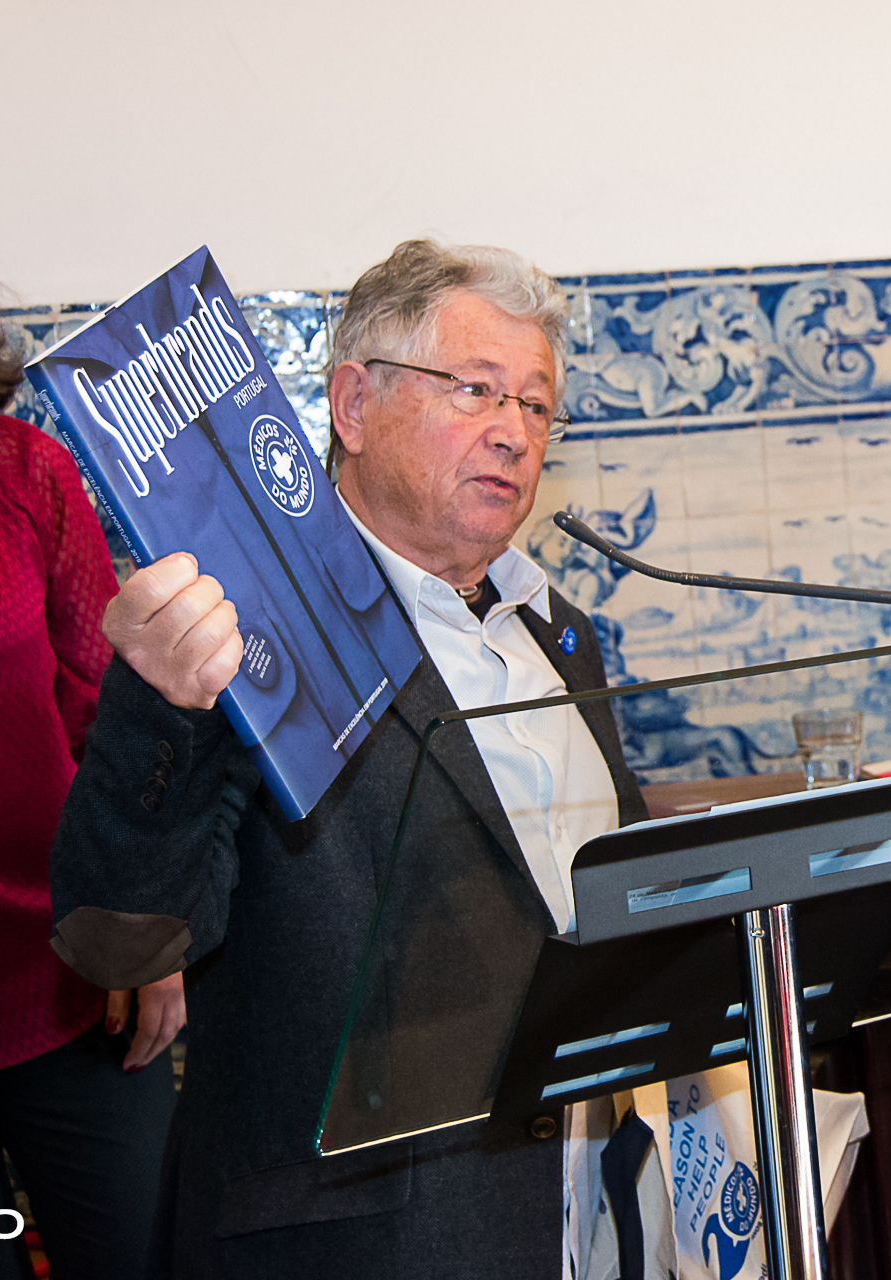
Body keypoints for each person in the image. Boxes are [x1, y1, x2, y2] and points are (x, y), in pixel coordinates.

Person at [48, 239, 646, 1277]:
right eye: (475, 389)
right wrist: (159, 706)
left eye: (536, 405)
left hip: (581, 1212)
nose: (513, 431)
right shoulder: (251, 640)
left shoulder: (560, 633)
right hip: (360, 1240)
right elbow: (123, 941)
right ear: (354, 405)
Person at [0, 200, 180, 1278]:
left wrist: (147, 937)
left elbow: (113, 727)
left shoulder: (21, 472)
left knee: (139, 1255)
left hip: (71, 987)